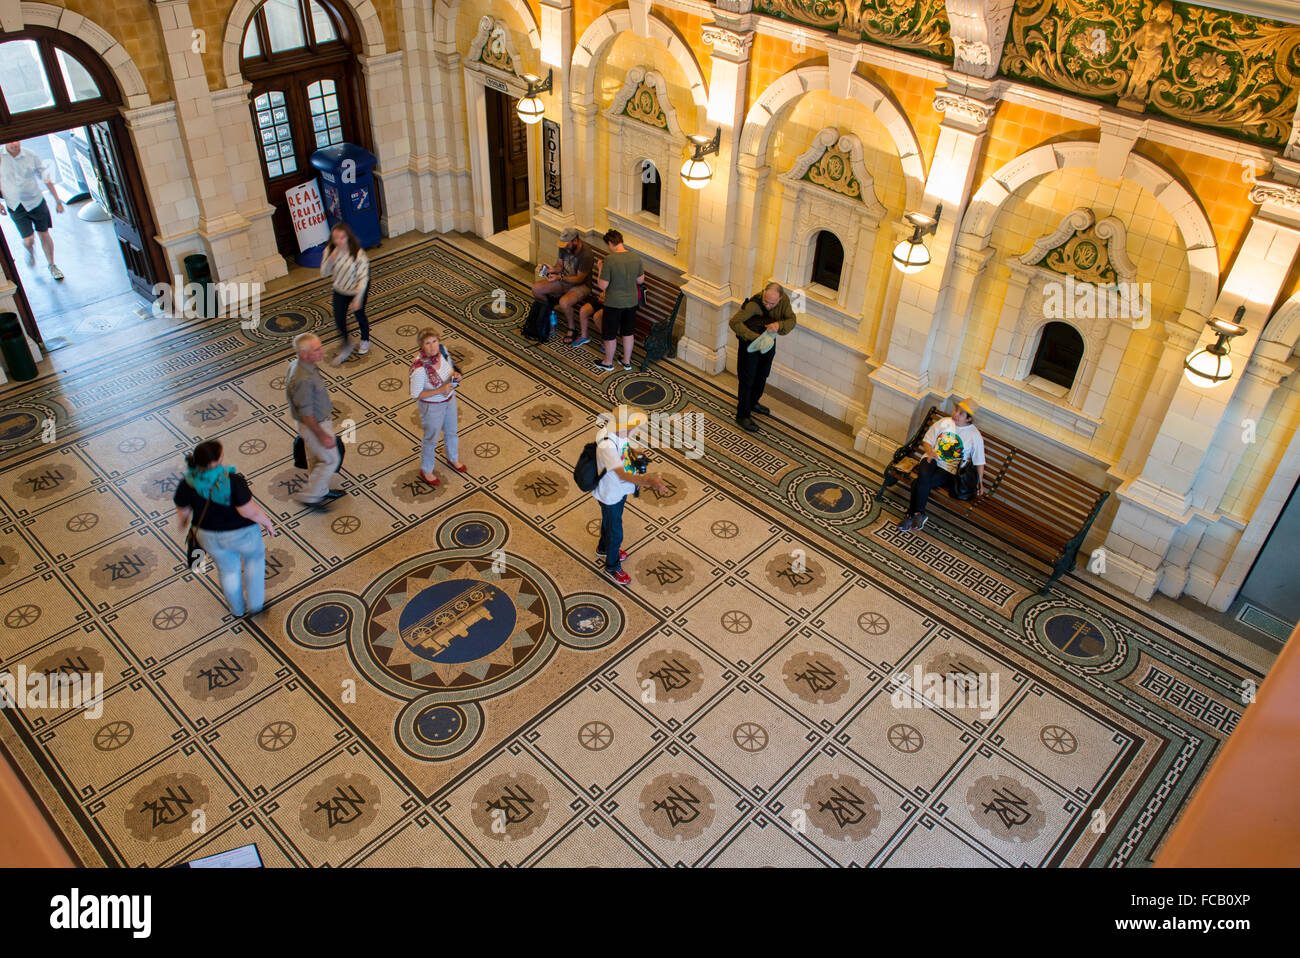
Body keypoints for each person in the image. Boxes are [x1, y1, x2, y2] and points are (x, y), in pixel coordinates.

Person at [173, 440, 276, 616]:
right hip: (242, 533)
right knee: (254, 562)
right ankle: (255, 605)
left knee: (228, 570)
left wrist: (184, 525)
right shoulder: (232, 481)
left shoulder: (187, 483)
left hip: (208, 535)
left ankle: (237, 610)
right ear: (216, 461)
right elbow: (248, 511)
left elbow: (183, 512)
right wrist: (266, 521)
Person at [592, 405, 669, 586]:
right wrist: (650, 481)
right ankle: (612, 566)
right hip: (611, 493)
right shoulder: (607, 445)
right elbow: (623, 474)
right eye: (634, 428)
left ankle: (603, 547)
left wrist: (636, 452)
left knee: (609, 521)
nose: (636, 431)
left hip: (618, 490)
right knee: (615, 532)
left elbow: (627, 446)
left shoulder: (617, 431)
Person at [898, 398, 986, 533]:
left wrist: (980, 482)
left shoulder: (974, 435)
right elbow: (927, 441)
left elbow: (979, 461)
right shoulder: (944, 422)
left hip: (948, 469)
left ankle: (911, 515)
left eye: (961, 414)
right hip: (931, 459)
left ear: (968, 419)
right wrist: (930, 452)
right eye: (956, 410)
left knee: (918, 483)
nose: (956, 414)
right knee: (924, 476)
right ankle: (919, 513)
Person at [285, 332, 345, 506]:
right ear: (304, 354)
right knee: (331, 459)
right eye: (317, 349)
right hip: (314, 424)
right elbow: (306, 414)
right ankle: (310, 496)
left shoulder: (297, 365)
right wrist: (322, 434)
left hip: (311, 422)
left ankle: (321, 491)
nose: (322, 351)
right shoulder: (303, 378)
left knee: (315, 458)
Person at [729, 282, 797, 432]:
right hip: (750, 345)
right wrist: (755, 337)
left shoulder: (783, 301)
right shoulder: (753, 305)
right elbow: (734, 322)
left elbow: (792, 320)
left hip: (768, 343)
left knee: (762, 375)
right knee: (747, 379)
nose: (767, 305)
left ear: (779, 299)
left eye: (772, 303)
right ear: (764, 293)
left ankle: (753, 403)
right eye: (766, 301)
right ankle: (742, 415)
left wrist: (779, 325)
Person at [0, 141, 65, 280]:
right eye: (10, 142)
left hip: (35, 201)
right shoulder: (0, 156)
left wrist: (58, 201)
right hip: (15, 205)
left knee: (44, 233)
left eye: (16, 141)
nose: (14, 144)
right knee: (29, 240)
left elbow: (46, 178)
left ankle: (52, 264)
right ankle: (29, 250)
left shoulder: (30, 155)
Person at [410, 327, 465, 485]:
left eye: (434, 341)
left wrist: (455, 376)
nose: (433, 346)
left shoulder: (443, 351)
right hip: (431, 407)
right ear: (422, 346)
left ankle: (452, 458)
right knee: (431, 438)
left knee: (452, 431)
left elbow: (451, 368)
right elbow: (416, 394)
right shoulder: (419, 368)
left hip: (449, 400)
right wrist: (439, 390)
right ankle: (426, 469)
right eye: (428, 343)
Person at [594, 230, 645, 373]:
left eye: (608, 245)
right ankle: (626, 361)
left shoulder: (610, 260)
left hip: (614, 303)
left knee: (610, 333)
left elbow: (603, 285)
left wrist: (600, 268)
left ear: (610, 243)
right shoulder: (635, 257)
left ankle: (608, 362)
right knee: (628, 332)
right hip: (631, 302)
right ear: (621, 241)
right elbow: (640, 280)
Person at [320, 222, 370, 365]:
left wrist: (358, 299)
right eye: (336, 238)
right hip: (340, 290)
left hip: (356, 290)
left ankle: (365, 338)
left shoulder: (358, 253)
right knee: (339, 319)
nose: (339, 241)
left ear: (348, 237)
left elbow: (363, 278)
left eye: (342, 237)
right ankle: (346, 343)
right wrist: (330, 260)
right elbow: (324, 273)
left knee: (359, 315)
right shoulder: (329, 250)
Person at [532, 228, 594, 336]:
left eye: (567, 244)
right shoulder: (563, 247)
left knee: (564, 302)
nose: (564, 246)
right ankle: (548, 312)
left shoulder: (586, 255)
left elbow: (579, 279)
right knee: (536, 289)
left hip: (581, 285)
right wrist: (552, 269)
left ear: (575, 241)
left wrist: (560, 278)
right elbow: (559, 266)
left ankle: (572, 328)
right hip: (563, 279)